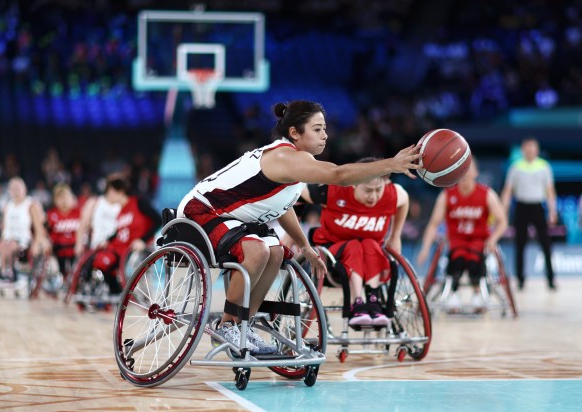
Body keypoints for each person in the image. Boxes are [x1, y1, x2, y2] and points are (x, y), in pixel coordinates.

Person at [177, 100, 421, 354]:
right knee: (258, 250)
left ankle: (242, 324)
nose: (325, 135)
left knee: (277, 251)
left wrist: (304, 246)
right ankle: (226, 326)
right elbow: (338, 175)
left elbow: (284, 207)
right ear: (295, 132)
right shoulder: (285, 156)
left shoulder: (295, 165)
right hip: (201, 211)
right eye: (317, 129)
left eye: (325, 128)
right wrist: (391, 164)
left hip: (230, 218)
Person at [300, 158, 410, 326]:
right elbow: (295, 195)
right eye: (367, 190)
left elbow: (405, 201)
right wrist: (291, 236)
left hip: (369, 256)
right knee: (355, 245)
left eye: (378, 190)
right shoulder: (332, 190)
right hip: (331, 256)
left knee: (370, 244)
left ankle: (372, 301)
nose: (373, 196)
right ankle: (357, 302)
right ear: (353, 184)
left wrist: (395, 236)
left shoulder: (393, 194)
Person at [417, 158, 508, 310]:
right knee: (457, 258)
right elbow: (433, 224)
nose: (465, 173)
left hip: (479, 239)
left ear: (476, 172)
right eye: (462, 170)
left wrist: (493, 239)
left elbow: (502, 221)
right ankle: (454, 293)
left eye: (468, 169)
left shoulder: (487, 194)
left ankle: (477, 293)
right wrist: (425, 249)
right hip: (456, 239)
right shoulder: (447, 195)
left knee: (474, 259)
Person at [501, 138, 557, 290]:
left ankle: (551, 279)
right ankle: (520, 279)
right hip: (521, 208)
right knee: (520, 245)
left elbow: (550, 190)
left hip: (538, 207)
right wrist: (503, 212)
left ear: (537, 150)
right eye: (527, 148)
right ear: (523, 150)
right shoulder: (516, 167)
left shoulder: (544, 166)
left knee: (546, 244)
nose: (530, 150)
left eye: (533, 147)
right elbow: (508, 190)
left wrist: (552, 211)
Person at [92, 176, 162, 295]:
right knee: (99, 259)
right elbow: (121, 232)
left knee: (108, 262)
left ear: (119, 191)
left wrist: (143, 240)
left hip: (137, 250)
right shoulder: (120, 211)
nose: (107, 196)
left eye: (109, 192)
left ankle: (120, 293)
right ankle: (113, 293)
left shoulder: (138, 202)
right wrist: (107, 240)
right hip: (122, 250)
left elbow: (158, 220)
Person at [0, 177, 50, 279]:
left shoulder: (31, 205)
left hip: (25, 241)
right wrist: (2, 239)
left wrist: (37, 243)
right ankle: (3, 270)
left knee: (11, 245)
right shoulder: (8, 206)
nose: (16, 192)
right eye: (13, 189)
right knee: (2, 245)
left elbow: (39, 228)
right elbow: (4, 227)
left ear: (24, 189)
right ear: (9, 191)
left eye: (18, 189)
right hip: (9, 238)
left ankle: (10, 271)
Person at [74, 181, 121, 257]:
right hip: (95, 248)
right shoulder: (95, 202)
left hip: (115, 249)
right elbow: (83, 224)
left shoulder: (121, 205)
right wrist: (79, 244)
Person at [46, 183, 80, 279]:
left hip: (75, 249)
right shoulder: (51, 214)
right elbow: (46, 233)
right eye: (60, 198)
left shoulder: (78, 213)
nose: (64, 201)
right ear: (55, 200)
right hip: (58, 250)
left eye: (66, 197)